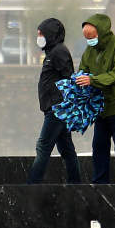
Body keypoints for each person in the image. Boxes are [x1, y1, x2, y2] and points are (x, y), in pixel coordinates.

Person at [76, 13, 115, 184]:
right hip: (101, 108)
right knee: (99, 147)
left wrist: (92, 80)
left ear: (101, 33)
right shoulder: (90, 50)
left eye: (91, 37)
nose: (89, 40)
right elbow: (83, 70)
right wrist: (78, 81)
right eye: (86, 37)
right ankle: (100, 186)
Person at [27, 18, 82, 185]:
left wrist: (65, 105)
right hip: (55, 108)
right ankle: (75, 183)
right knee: (66, 148)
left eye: (41, 34)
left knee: (43, 146)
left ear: (50, 35)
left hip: (57, 109)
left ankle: (32, 185)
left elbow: (68, 79)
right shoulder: (53, 52)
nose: (39, 37)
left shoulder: (59, 52)